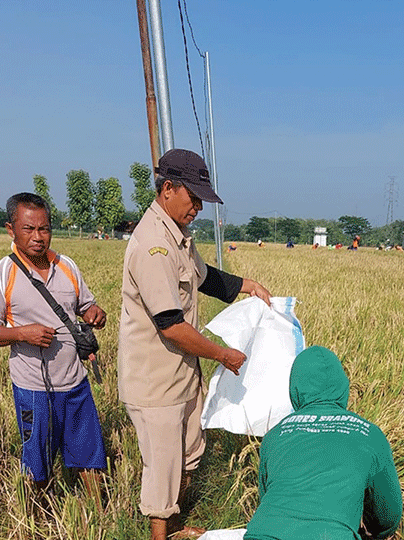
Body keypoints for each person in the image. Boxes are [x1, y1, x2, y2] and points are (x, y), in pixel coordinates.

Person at [119, 148, 272, 540]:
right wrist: (222, 354)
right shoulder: (153, 245)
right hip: (156, 382)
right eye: (195, 197)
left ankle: (176, 527)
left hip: (182, 375)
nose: (199, 207)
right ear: (168, 189)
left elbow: (203, 278)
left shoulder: (178, 237)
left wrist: (245, 285)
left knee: (189, 455)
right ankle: (161, 534)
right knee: (163, 469)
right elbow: (170, 325)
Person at [0, 192, 107, 504]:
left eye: (44, 229)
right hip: (33, 387)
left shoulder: (67, 266)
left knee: (89, 455)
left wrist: (94, 313)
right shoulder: (0, 274)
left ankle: (99, 518)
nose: (38, 237)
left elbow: (86, 305)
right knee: (37, 463)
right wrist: (22, 333)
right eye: (28, 229)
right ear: (11, 229)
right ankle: (36, 517)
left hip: (75, 382)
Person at [244, 346, 402, 540]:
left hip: (262, 534)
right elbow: (388, 514)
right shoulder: (369, 434)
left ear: (295, 389)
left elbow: (267, 495)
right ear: (343, 386)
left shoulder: (275, 434)